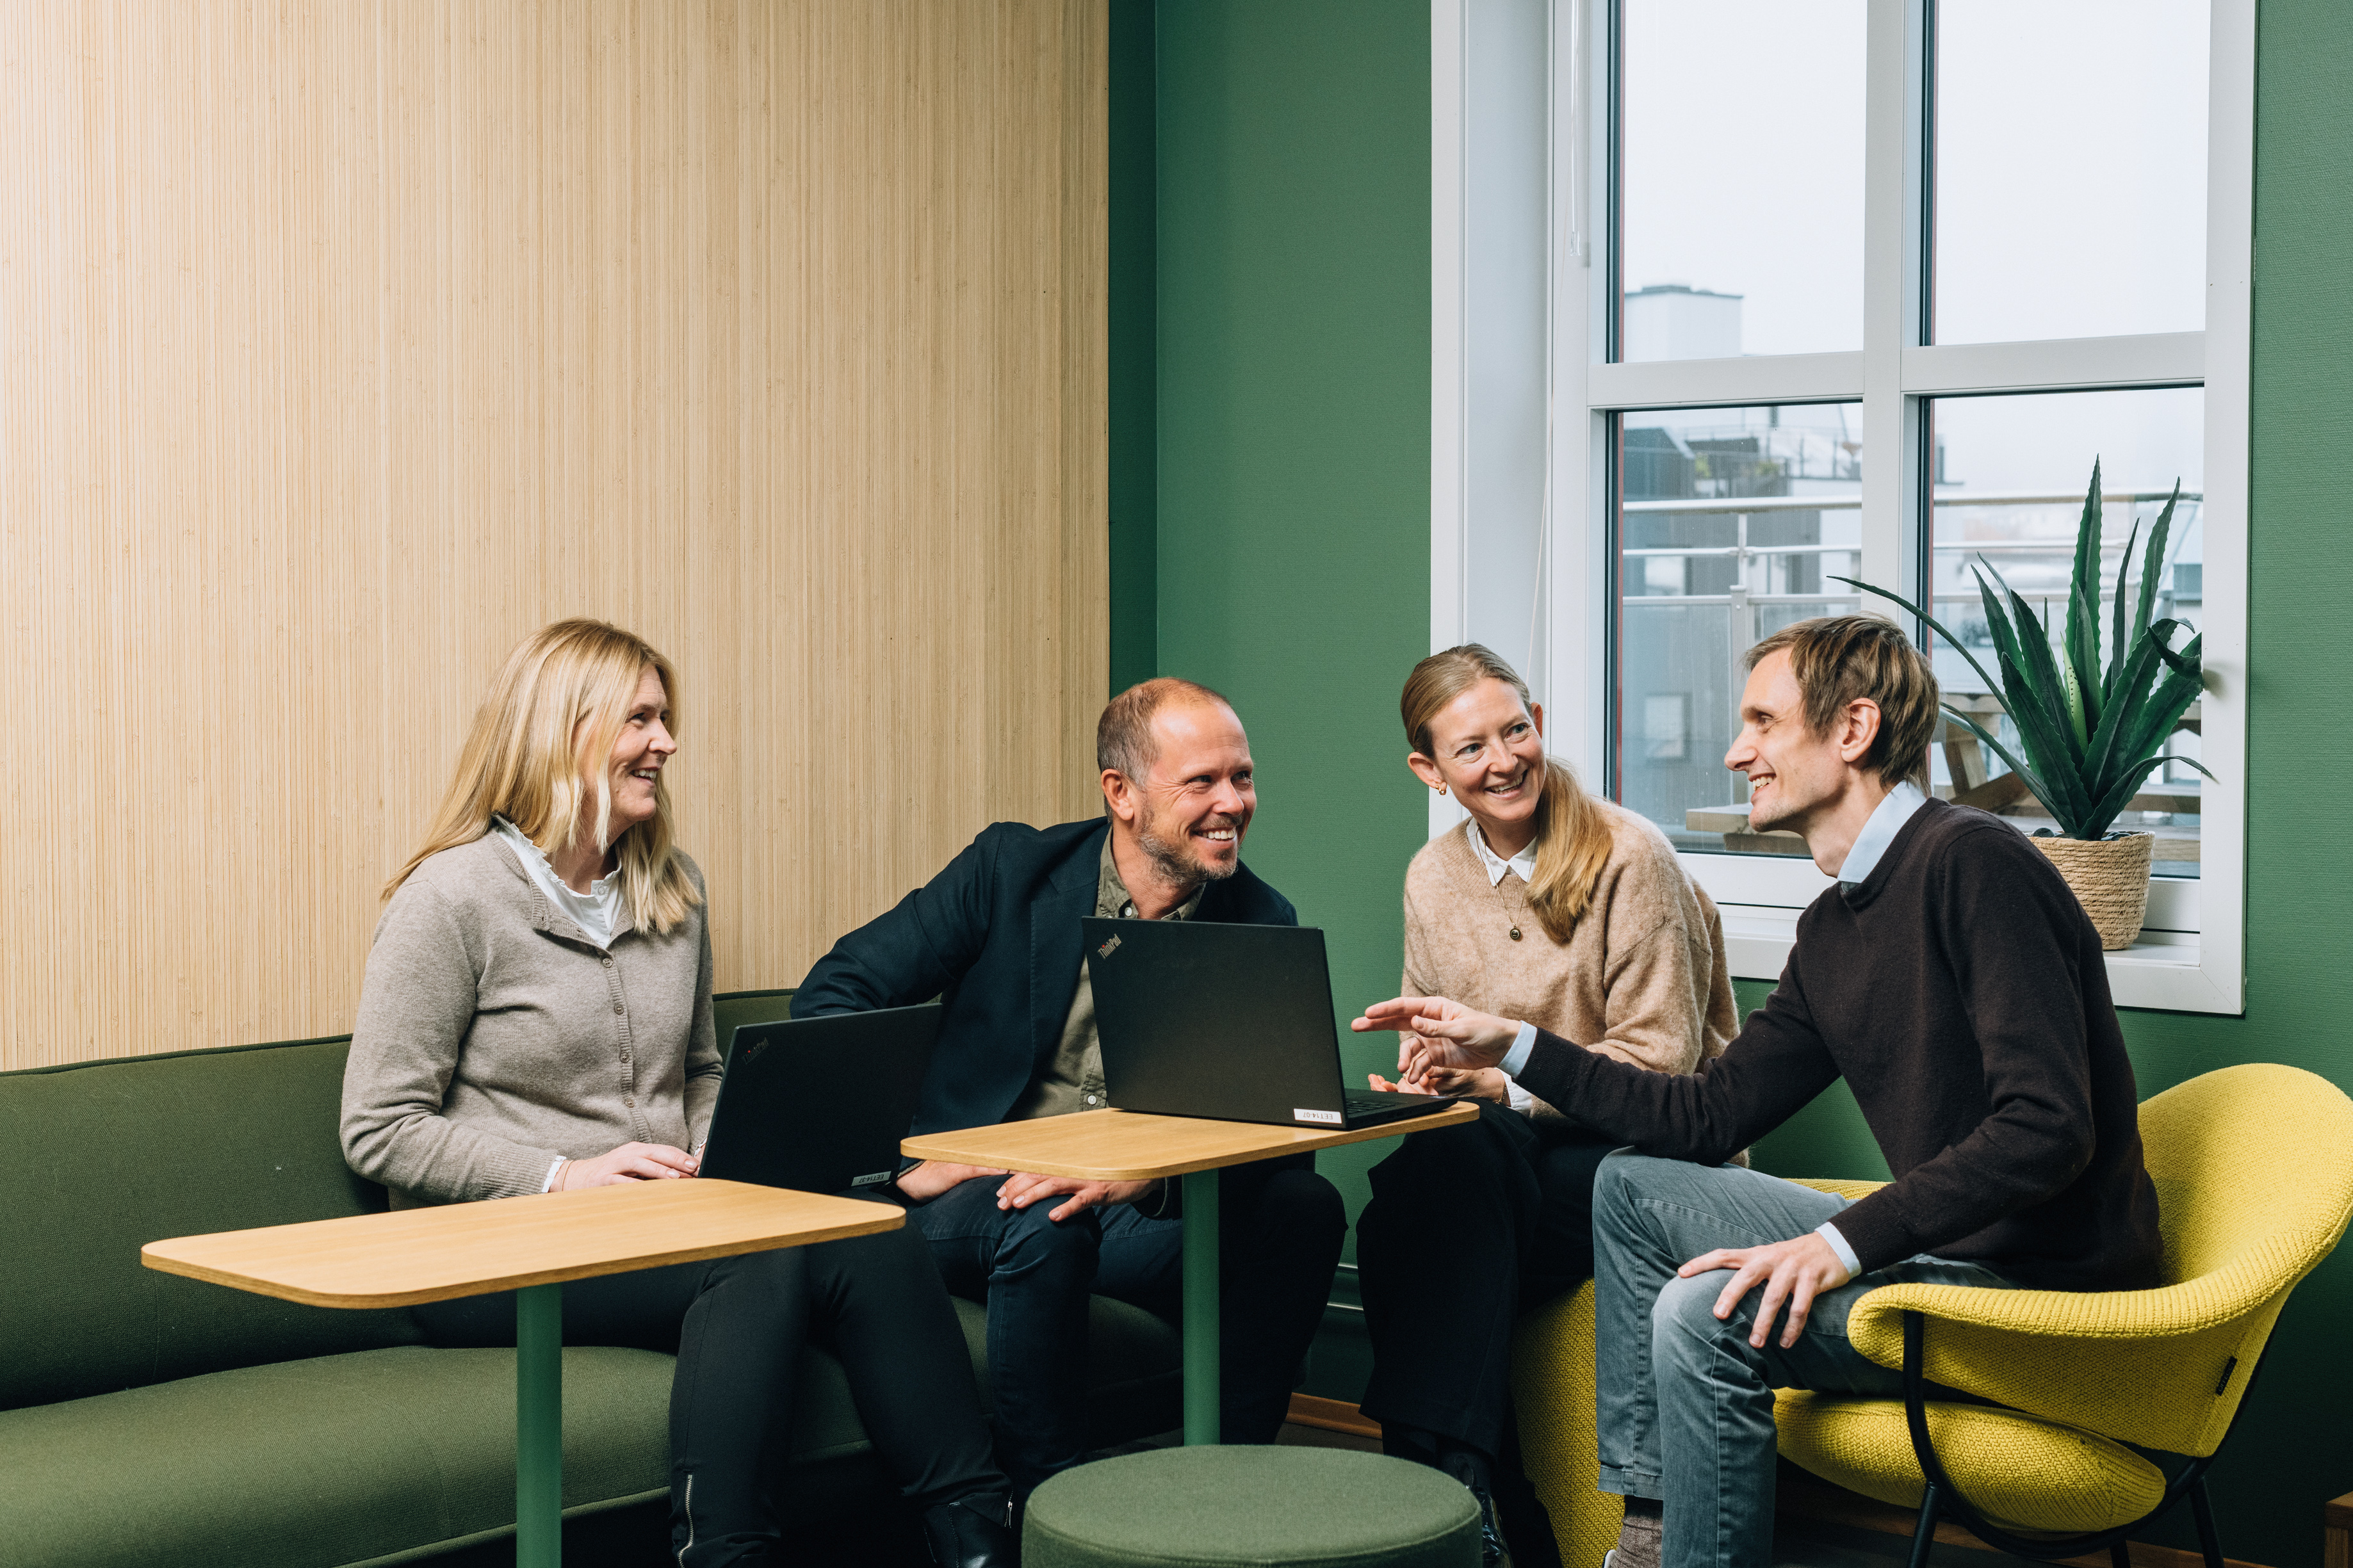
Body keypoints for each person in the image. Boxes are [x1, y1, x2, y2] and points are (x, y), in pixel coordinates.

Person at [1353, 616, 2163, 1568]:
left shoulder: (1973, 863)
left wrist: (1837, 1242)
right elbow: (1705, 1116)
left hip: (2035, 1291)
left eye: (1762, 723)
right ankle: (1647, 1534)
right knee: (1625, 1184)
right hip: (1951, 1253)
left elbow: (2045, 1129)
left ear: (1852, 730)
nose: (1737, 751)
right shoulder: (1835, 925)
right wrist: (1517, 1046)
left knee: (1699, 1317)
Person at [341, 619, 1016, 1568]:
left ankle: (977, 1536)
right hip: (497, 1252)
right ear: (561, 729)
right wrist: (562, 1176)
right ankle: (721, 1552)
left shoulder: (672, 889)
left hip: (666, 1221)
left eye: (666, 719)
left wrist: (728, 1152)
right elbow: (379, 1128)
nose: (665, 742)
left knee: (870, 1228)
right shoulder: (449, 900)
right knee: (752, 1260)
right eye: (641, 719)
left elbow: (696, 1071)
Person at [792, 677, 1347, 1498]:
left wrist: (1153, 1176)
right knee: (1046, 1220)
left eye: (1242, 776)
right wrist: (907, 1154)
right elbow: (831, 996)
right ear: (1120, 794)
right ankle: (1043, 1507)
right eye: (1201, 782)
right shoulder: (1010, 870)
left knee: (1306, 1211)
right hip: (978, 1200)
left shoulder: (1259, 920)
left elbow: (1276, 1150)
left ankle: (1228, 1485)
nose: (1232, 803)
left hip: (1136, 1214)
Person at [1352, 645, 1736, 1566]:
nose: (1501, 760)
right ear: (1429, 771)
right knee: (1436, 1181)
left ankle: (1449, 1489)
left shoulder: (1628, 854)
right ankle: (1481, 1502)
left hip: (1645, 1152)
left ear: (1539, 723)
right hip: (1504, 1155)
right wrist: (1429, 1069)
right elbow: (1439, 1033)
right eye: (1470, 747)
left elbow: (1661, 1064)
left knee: (1401, 1227)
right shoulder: (1430, 876)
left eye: (1513, 730)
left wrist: (1498, 1085)